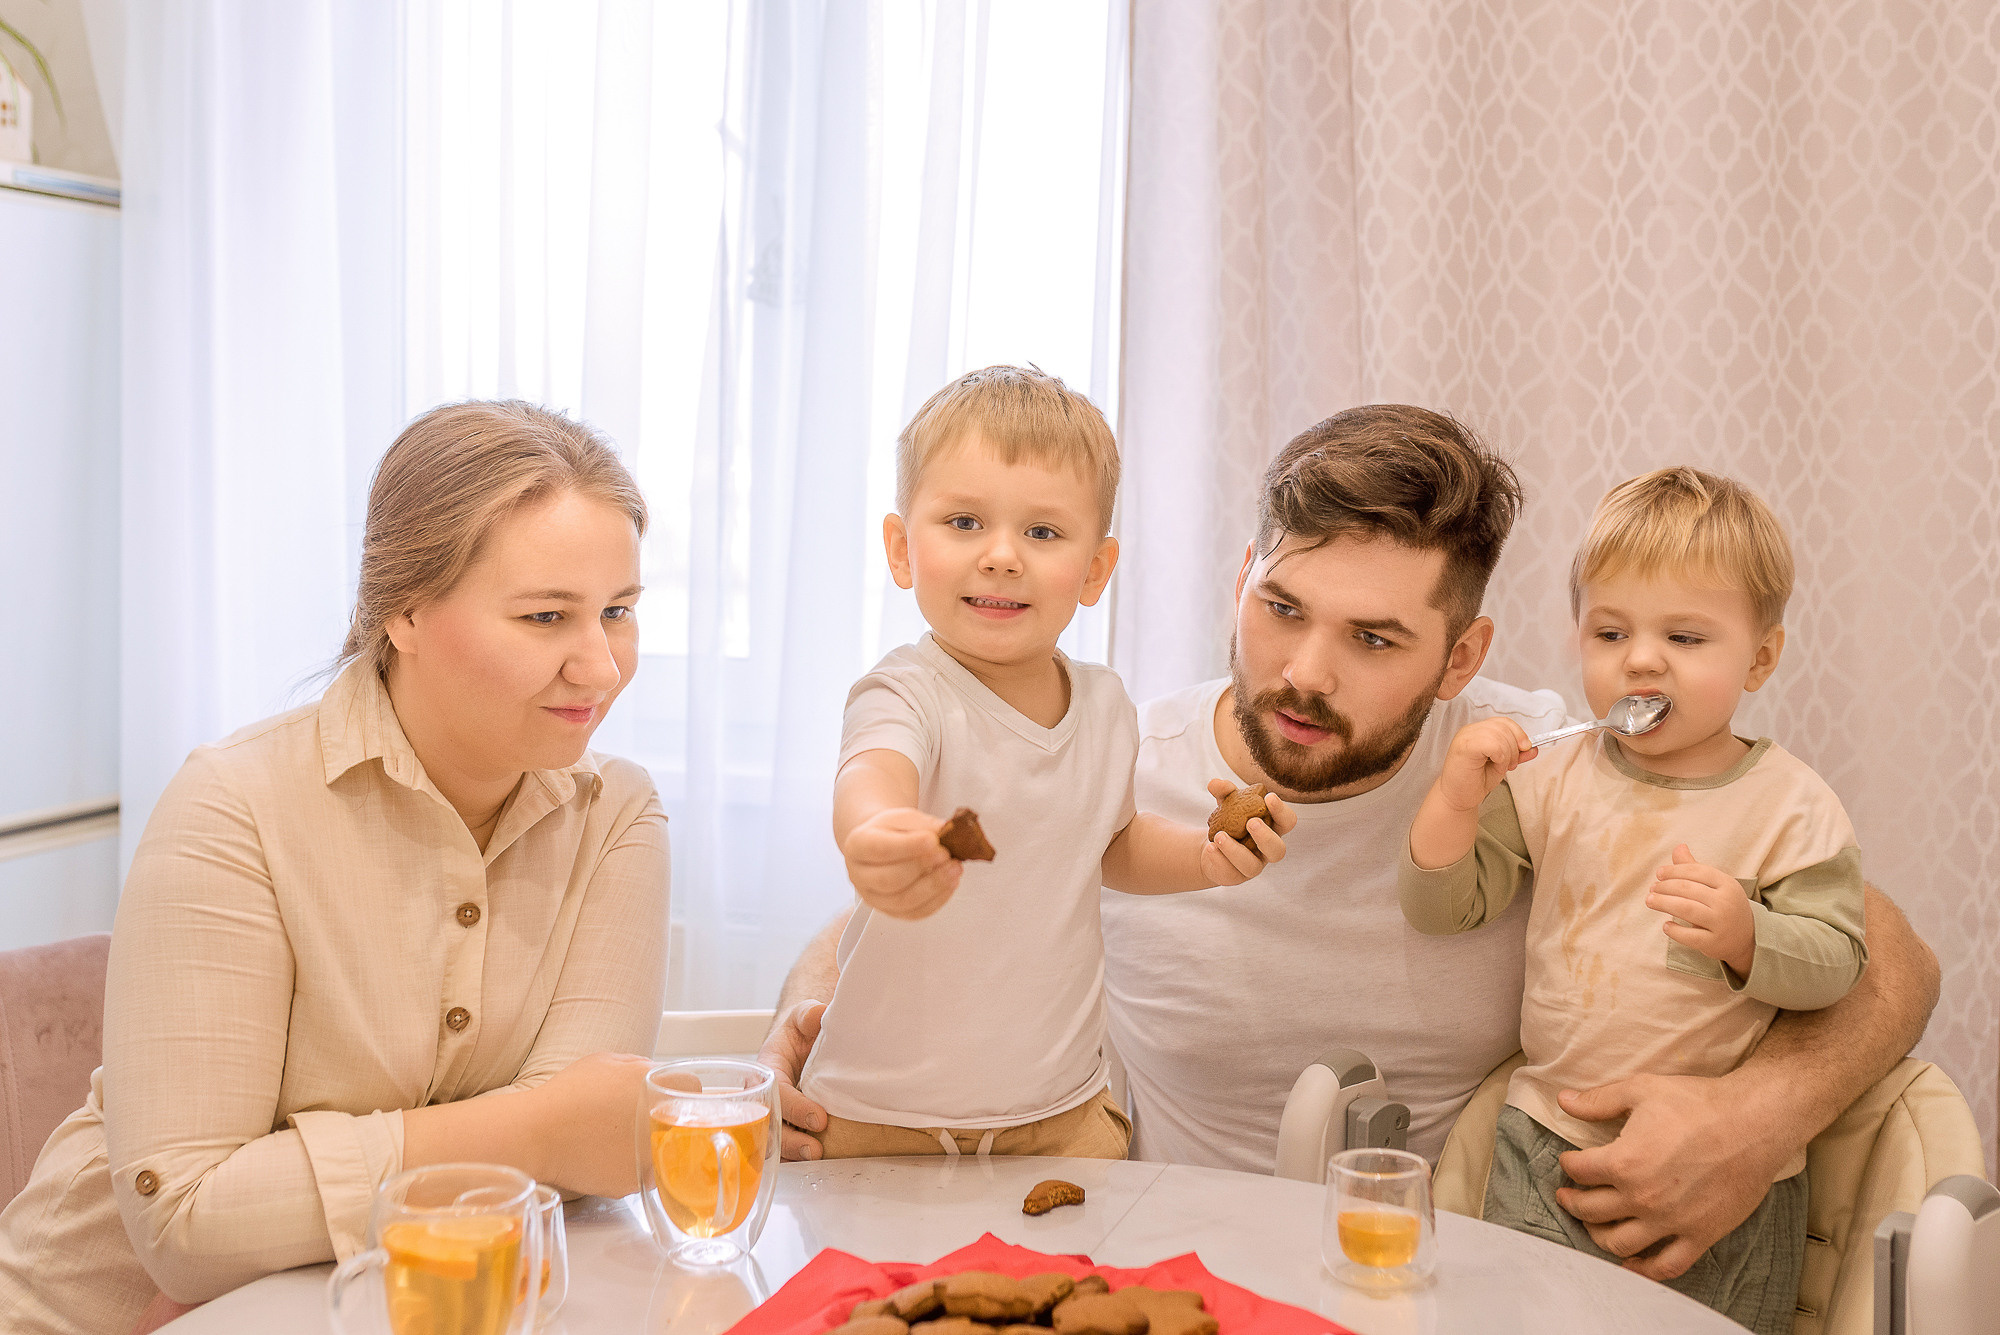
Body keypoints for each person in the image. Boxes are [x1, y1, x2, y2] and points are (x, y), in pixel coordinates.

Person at [762, 405, 1939, 1286]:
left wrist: (1759, 1117)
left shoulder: (1544, 765)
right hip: (1154, 1267)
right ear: (1241, 580)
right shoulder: (1120, 755)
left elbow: (1886, 949)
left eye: (1374, 639)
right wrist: (812, 1022)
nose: (1304, 675)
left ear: (1460, 661)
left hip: (1439, 1286)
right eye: (1281, 611)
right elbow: (913, 899)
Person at [0, 401, 671, 1335]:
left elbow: (585, 1157)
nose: (600, 667)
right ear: (401, 609)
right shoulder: (235, 805)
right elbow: (185, 1225)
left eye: (619, 612)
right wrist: (541, 1130)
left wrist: (284, 1194)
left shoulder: (619, 815)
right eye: (546, 616)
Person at [1400, 468, 1865, 1330]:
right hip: (1546, 1138)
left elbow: (1839, 962)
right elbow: (1442, 908)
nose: (1640, 657)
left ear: (1760, 657)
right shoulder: (1551, 777)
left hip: (1726, 1172)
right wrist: (1455, 801)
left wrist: (1748, 936)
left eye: (1685, 637)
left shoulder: (1793, 806)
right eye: (1610, 631)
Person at [804, 366, 1292, 1160]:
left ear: (1096, 570)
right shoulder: (907, 691)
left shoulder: (1106, 707)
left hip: (1060, 1111)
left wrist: (1208, 858)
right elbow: (872, 778)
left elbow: (1106, 846)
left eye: (1041, 532)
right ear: (902, 548)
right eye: (963, 522)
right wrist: (879, 833)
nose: (1001, 557)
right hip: (876, 1113)